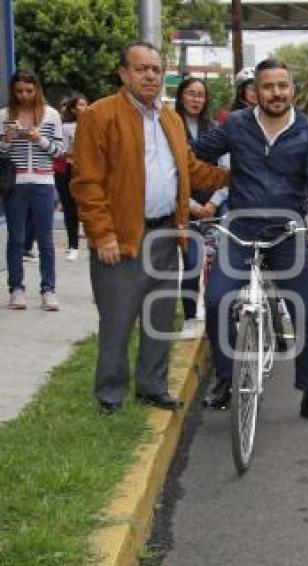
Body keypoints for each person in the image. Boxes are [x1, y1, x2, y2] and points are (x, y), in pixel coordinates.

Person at [71, 41, 229, 415]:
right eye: (141, 69)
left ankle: (151, 386)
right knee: (118, 320)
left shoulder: (169, 119)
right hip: (122, 237)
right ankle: (110, 396)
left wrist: (233, 176)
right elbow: (86, 182)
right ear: (123, 73)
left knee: (159, 317)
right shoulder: (100, 115)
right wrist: (102, 233)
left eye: (156, 69)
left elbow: (190, 170)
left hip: (164, 234)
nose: (150, 76)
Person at [192, 58, 308, 427]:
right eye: (268, 86)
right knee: (215, 299)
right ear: (255, 91)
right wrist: (218, 181)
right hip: (240, 229)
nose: (276, 93)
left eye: (282, 86)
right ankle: (226, 379)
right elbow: (197, 153)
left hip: (287, 233)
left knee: (306, 314)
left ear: (293, 89)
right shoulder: (236, 125)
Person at [1, 69, 65, 311]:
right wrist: (7, 138)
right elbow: (1, 154)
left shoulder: (51, 115)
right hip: (15, 184)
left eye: (29, 91)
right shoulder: (4, 115)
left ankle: (48, 290)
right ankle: (16, 289)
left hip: (43, 183)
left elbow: (60, 152)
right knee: (15, 239)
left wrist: (39, 139)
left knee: (45, 239)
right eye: (19, 91)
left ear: (37, 90)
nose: (24, 95)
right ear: (12, 91)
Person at [174, 76, 228, 338]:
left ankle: (216, 317)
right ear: (181, 96)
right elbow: (169, 174)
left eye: (200, 95)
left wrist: (214, 202)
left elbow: (226, 170)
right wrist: (192, 206)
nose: (196, 99)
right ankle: (190, 317)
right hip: (184, 209)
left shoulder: (216, 129)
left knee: (218, 267)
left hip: (214, 207)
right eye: (191, 93)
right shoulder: (170, 127)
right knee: (192, 264)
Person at [55, 92, 88, 261]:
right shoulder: (67, 127)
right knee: (70, 209)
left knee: (91, 207)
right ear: (74, 109)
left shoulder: (94, 125)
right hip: (69, 170)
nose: (84, 108)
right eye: (80, 105)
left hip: (88, 171)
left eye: (85, 104)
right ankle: (73, 245)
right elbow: (63, 152)